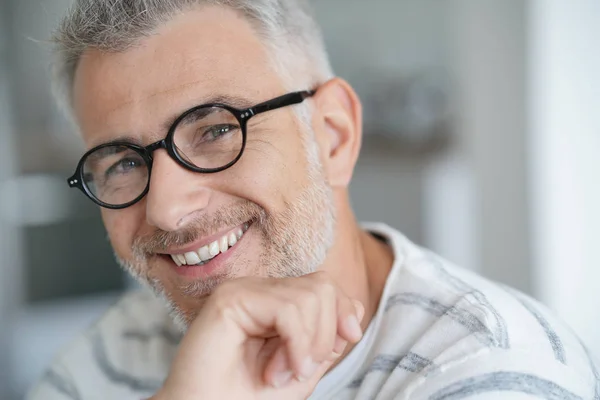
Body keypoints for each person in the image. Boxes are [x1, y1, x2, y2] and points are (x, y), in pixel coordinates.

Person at [28, 1, 598, 399]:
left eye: (216, 129)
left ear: (333, 135)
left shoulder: (492, 367)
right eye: (125, 163)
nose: (166, 210)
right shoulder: (113, 349)